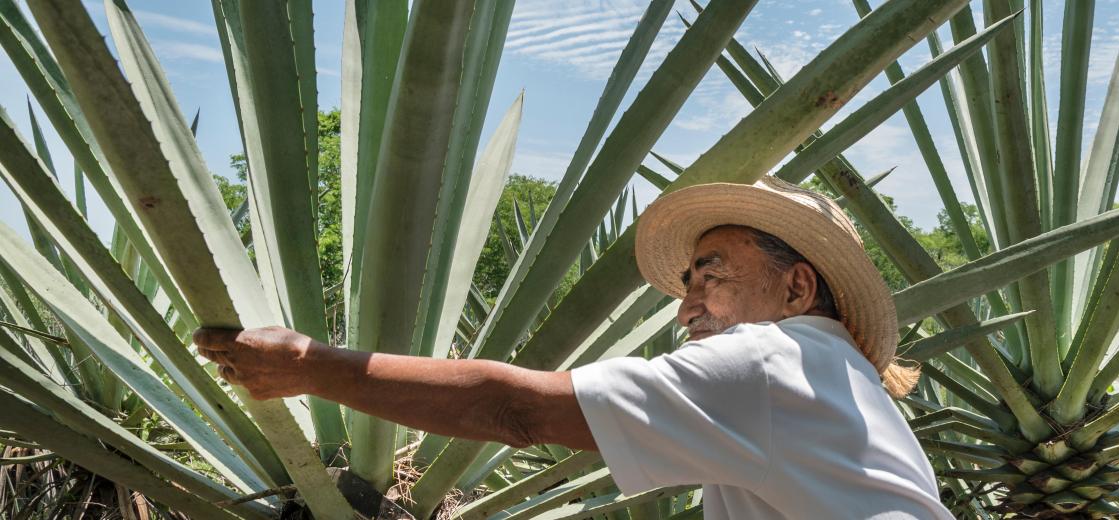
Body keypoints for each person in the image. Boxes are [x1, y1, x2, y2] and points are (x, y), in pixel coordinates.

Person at [195, 176, 951, 519]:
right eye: (686, 281)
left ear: (797, 289)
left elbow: (515, 409)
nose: (686, 303)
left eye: (711, 275)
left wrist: (304, 368)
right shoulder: (827, 374)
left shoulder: (768, 361)